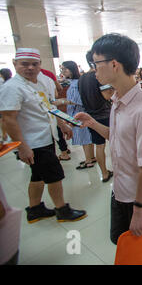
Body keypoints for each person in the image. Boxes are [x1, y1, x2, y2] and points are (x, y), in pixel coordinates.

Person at [75, 34, 142, 245]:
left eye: (96, 64)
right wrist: (92, 123)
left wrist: (139, 209)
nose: (93, 70)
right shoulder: (117, 100)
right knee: (121, 241)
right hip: (121, 189)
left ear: (114, 64)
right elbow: (116, 137)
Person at [0, 48, 86, 223]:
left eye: (34, 64)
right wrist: (22, 147)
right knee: (55, 175)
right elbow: (8, 119)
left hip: (46, 137)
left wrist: (62, 124)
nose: (30, 68)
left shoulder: (40, 82)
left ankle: (34, 209)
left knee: (37, 175)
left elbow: (48, 106)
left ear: (40, 65)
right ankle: (62, 210)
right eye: (25, 64)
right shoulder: (12, 87)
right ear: (14, 64)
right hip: (32, 142)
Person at [78, 51, 114, 182]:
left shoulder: (82, 78)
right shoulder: (99, 76)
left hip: (90, 116)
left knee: (99, 145)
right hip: (104, 115)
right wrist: (113, 87)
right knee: (115, 142)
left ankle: (104, 173)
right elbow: (107, 96)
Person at [58, 61, 96, 171]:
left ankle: (89, 160)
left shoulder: (76, 83)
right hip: (79, 113)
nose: (63, 72)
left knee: (84, 137)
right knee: (87, 136)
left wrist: (62, 102)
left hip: (79, 113)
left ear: (72, 69)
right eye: (62, 69)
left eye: (65, 69)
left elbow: (77, 100)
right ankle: (91, 157)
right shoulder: (75, 82)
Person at [0, 68, 12, 141]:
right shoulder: (14, 82)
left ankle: (4, 134)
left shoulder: (3, 84)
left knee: (3, 119)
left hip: (4, 104)